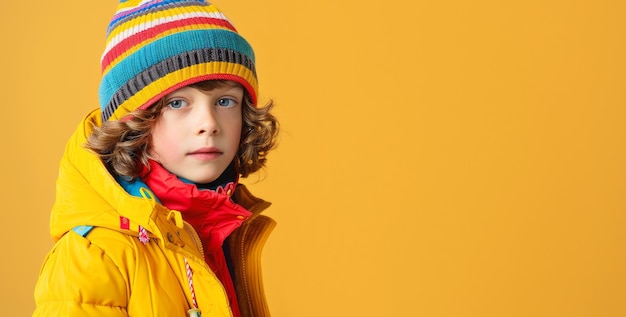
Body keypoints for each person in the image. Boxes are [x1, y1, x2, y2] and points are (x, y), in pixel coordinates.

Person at [33, 1, 279, 316]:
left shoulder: (223, 231)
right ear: (133, 123)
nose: (209, 123)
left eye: (225, 100)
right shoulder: (93, 258)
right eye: (177, 103)